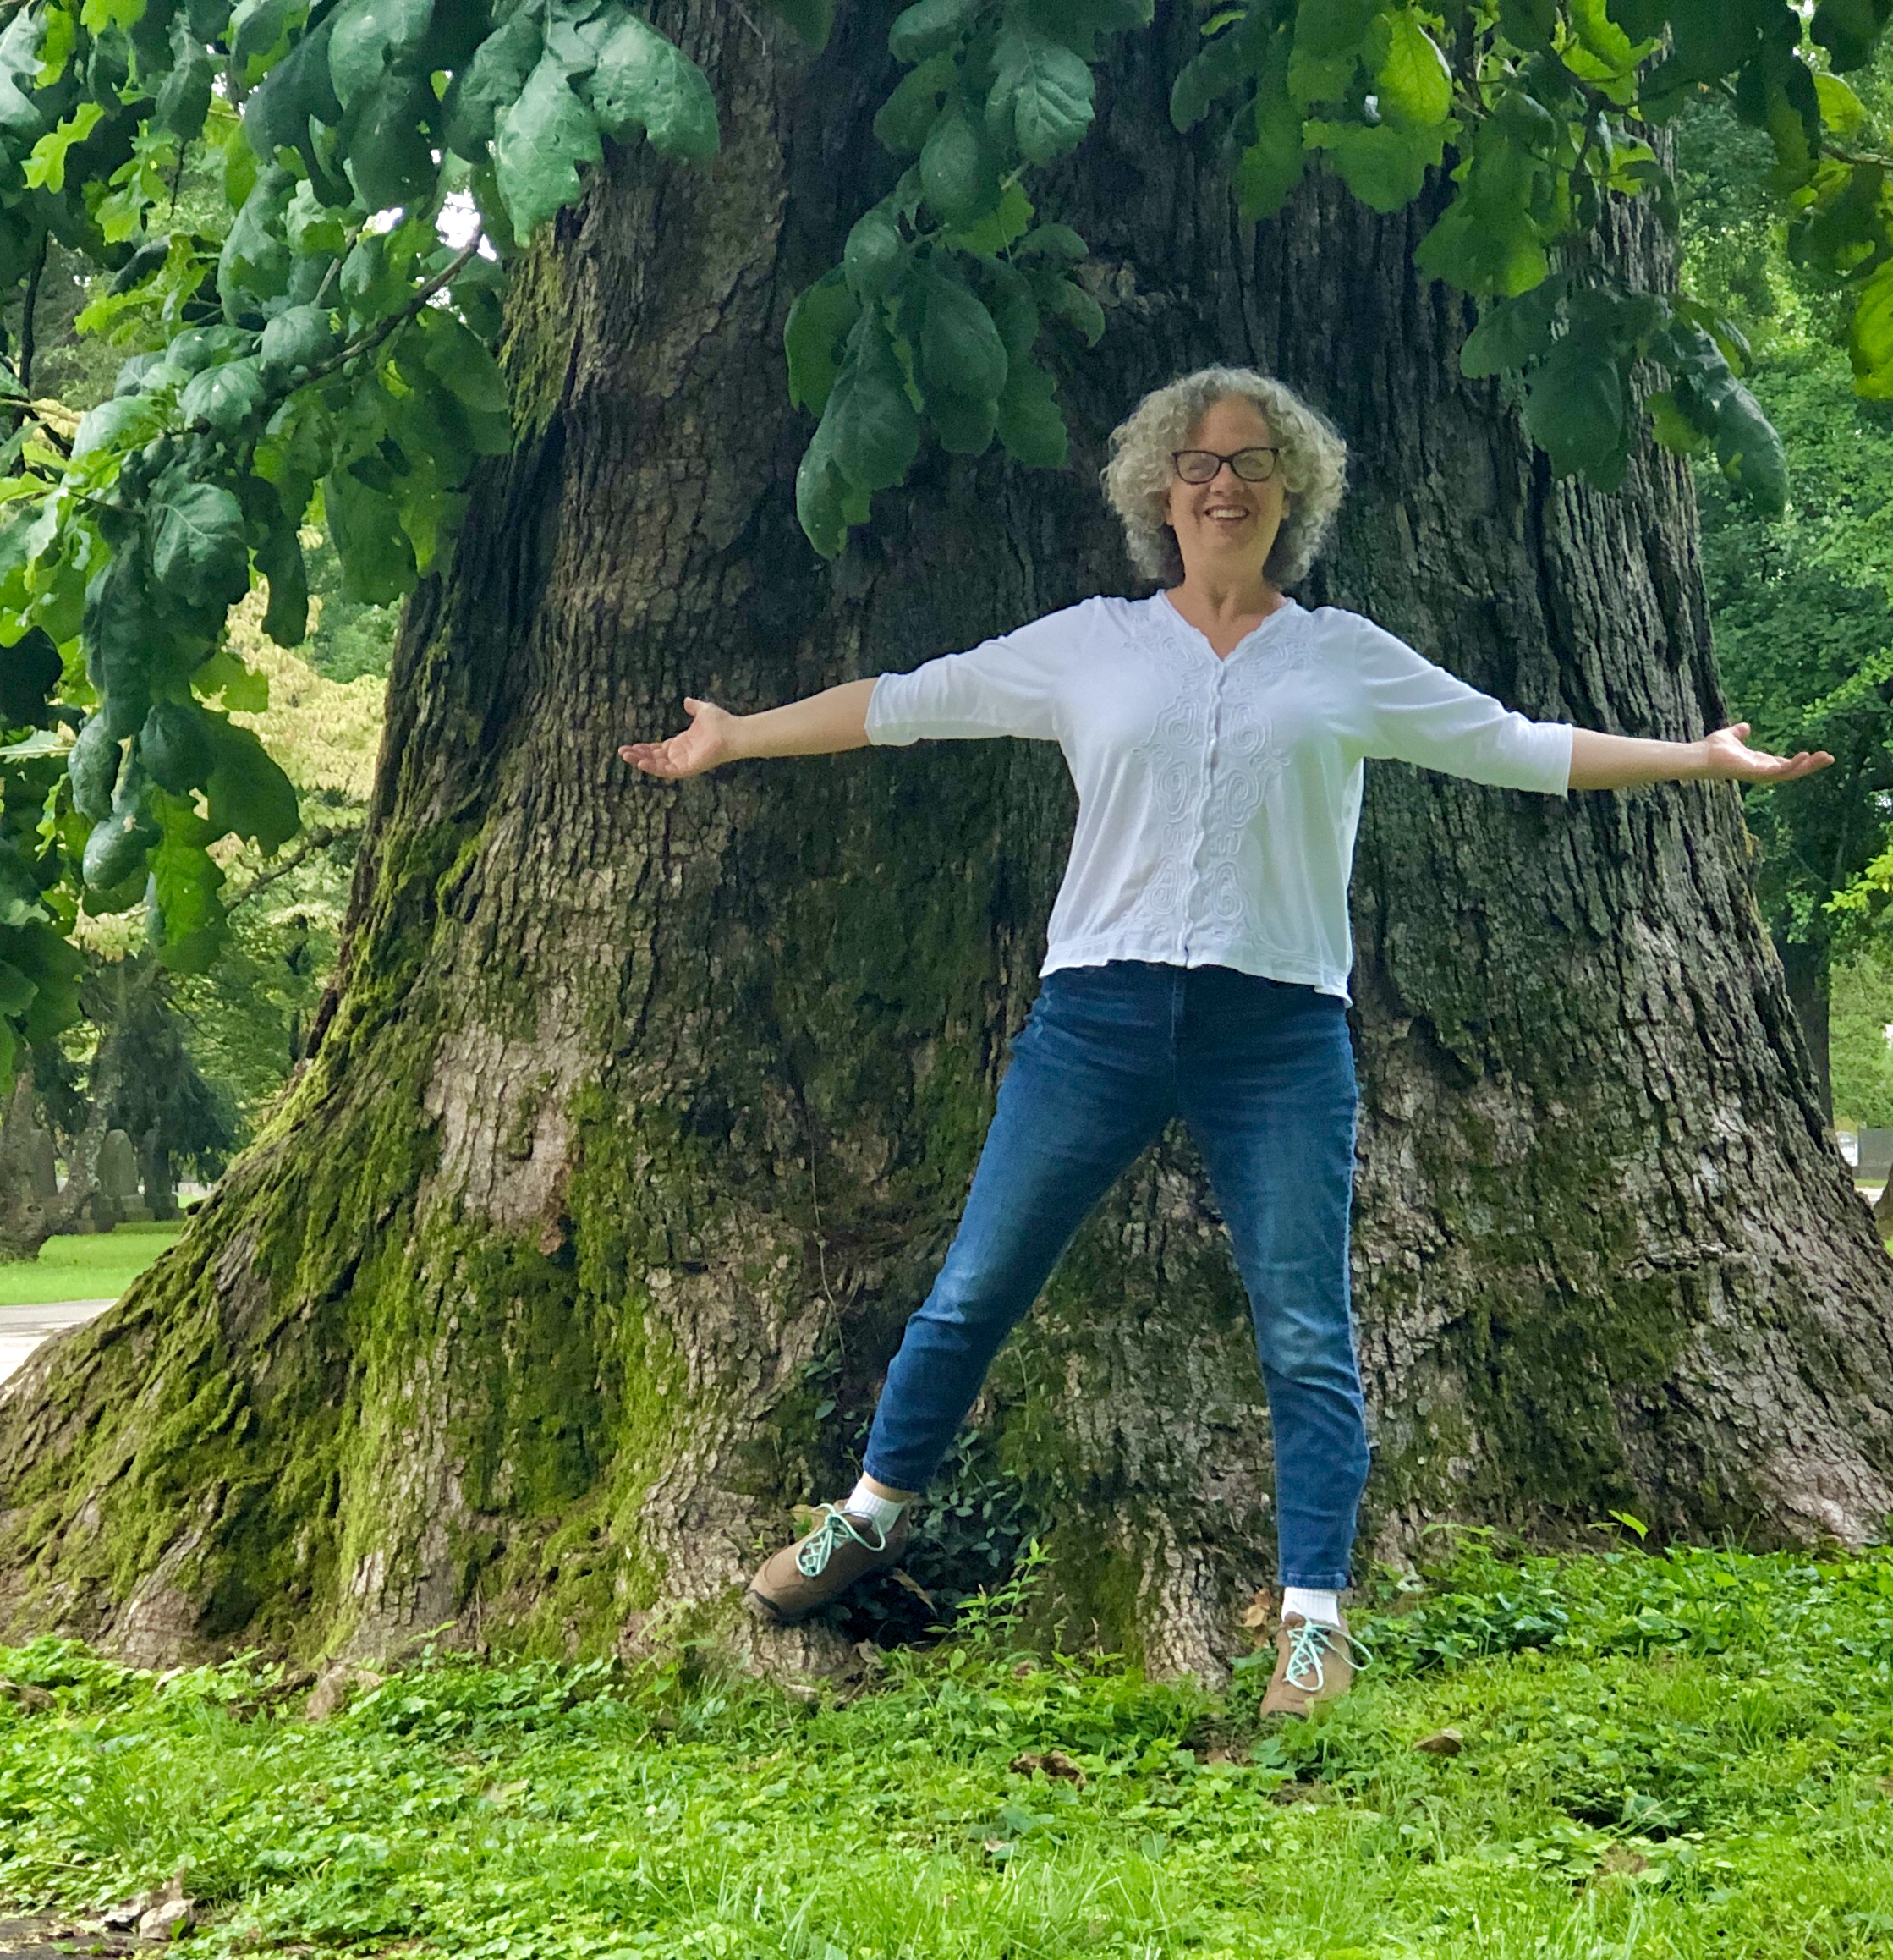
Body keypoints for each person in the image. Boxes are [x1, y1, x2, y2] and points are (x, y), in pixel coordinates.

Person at [617, 365, 1831, 1720]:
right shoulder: (1091, 644)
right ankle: (871, 1511)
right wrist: (738, 737)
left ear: (1290, 492)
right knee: (973, 1288)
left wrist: (1695, 759)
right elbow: (907, 699)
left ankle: (1313, 1617)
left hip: (1279, 1031)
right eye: (1197, 462)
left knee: (1307, 1329)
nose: (1224, 482)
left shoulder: (1344, 658)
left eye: (1253, 461)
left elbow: (1515, 746)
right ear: (1158, 491)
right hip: (1098, 1018)